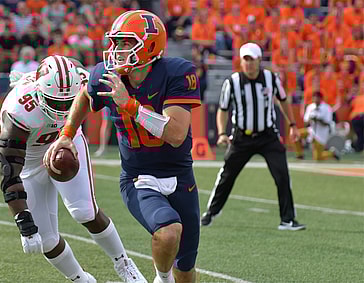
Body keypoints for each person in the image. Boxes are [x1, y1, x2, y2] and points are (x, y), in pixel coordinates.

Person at [44, 10, 202, 283]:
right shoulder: (106, 74)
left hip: (180, 176)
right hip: (139, 178)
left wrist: (129, 105)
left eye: (127, 43)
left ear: (150, 45)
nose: (117, 50)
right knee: (168, 232)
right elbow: (84, 96)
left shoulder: (177, 73)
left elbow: (176, 134)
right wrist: (67, 133)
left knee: (186, 267)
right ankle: (161, 280)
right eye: (116, 42)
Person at [0, 55, 146, 283]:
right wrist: (22, 218)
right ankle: (80, 279)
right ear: (38, 93)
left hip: (68, 141)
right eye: (56, 102)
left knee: (84, 211)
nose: (63, 108)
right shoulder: (19, 110)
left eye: (69, 103)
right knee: (45, 240)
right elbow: (9, 171)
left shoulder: (85, 79)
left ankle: (124, 264)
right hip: (30, 160)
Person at [200, 42, 306, 231]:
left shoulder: (271, 78)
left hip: (268, 136)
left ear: (259, 60)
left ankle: (288, 220)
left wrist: (292, 125)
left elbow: (283, 100)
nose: (248, 64)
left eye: (252, 60)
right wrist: (222, 132)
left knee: (282, 174)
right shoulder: (232, 82)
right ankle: (211, 212)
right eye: (245, 60)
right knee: (227, 175)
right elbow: (223, 110)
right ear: (241, 61)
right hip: (242, 137)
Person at [294, 91, 340, 161]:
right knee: (296, 134)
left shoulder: (327, 108)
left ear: (321, 99)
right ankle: (300, 154)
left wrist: (318, 120)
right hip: (312, 130)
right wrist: (310, 119)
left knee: (318, 158)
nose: (316, 100)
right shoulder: (310, 107)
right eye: (314, 98)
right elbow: (306, 121)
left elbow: (328, 123)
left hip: (321, 134)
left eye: (317, 98)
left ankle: (332, 153)